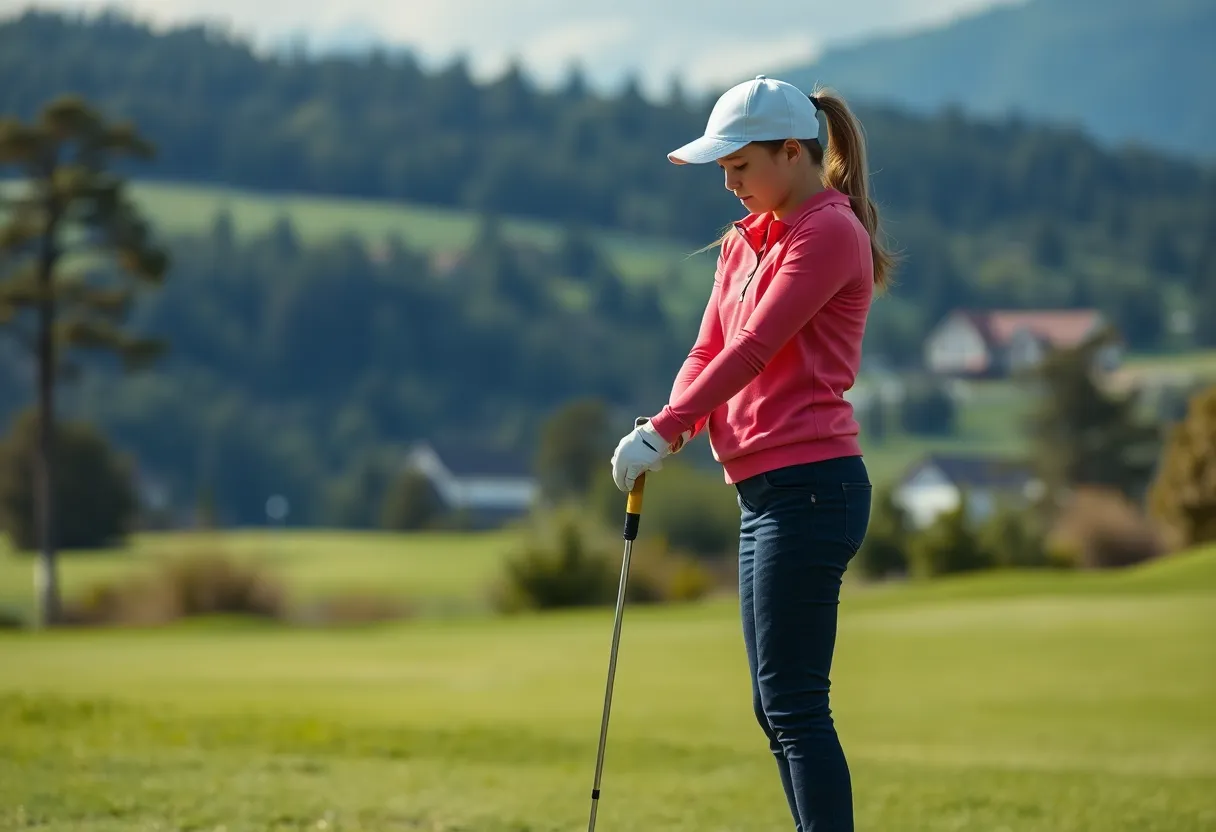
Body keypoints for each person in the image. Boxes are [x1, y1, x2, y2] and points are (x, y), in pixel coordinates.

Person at [609, 75, 896, 832]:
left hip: (812, 488)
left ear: (793, 152)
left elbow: (754, 348)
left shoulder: (828, 232)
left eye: (740, 166)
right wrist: (670, 427)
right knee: (775, 707)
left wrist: (667, 428)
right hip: (766, 493)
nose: (729, 183)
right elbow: (708, 349)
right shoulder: (746, 241)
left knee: (795, 704)